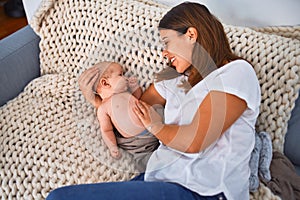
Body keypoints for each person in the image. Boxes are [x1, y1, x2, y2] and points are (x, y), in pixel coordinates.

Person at [46, 2, 261, 200]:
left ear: (191, 35)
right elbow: (132, 118)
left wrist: (155, 126)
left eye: (167, 42)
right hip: (158, 180)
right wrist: (101, 101)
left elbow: (195, 141)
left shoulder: (235, 73)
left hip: (204, 190)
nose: (165, 53)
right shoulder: (174, 81)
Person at [78, 61, 159, 171]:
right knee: (145, 162)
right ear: (106, 83)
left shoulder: (126, 93)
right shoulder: (103, 108)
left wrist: (135, 87)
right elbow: (106, 130)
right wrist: (112, 146)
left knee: (160, 110)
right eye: (120, 75)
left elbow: (138, 98)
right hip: (137, 143)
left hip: (154, 125)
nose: (125, 78)